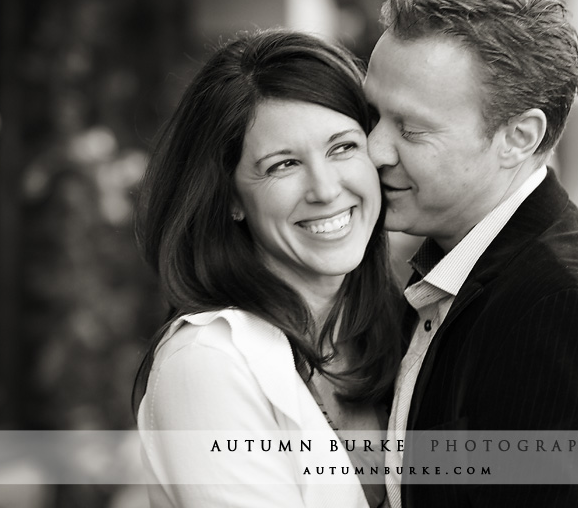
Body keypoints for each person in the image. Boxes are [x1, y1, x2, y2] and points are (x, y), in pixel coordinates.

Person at [363, 0, 578, 507]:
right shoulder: (453, 270)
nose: (374, 150)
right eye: (372, 115)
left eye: (410, 129)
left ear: (518, 137)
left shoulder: (567, 317)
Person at [133, 29, 403, 508]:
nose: (324, 189)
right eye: (283, 165)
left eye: (342, 147)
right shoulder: (209, 361)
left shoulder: (399, 332)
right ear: (232, 197)